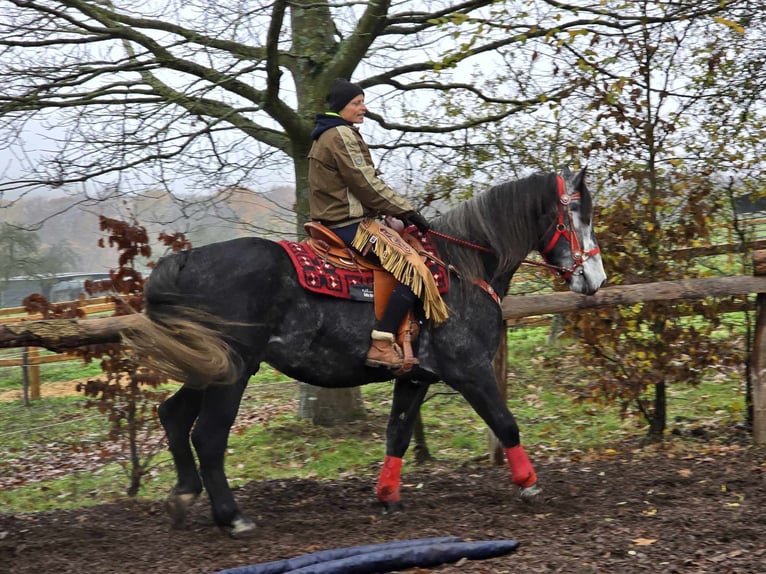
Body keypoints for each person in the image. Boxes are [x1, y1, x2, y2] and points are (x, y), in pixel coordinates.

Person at [308, 78, 430, 370]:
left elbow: (357, 186)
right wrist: (407, 211)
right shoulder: (340, 134)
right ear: (341, 107)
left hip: (335, 219)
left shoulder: (326, 134)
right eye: (357, 103)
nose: (363, 108)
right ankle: (382, 342)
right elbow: (365, 183)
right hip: (348, 224)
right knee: (415, 270)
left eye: (362, 101)